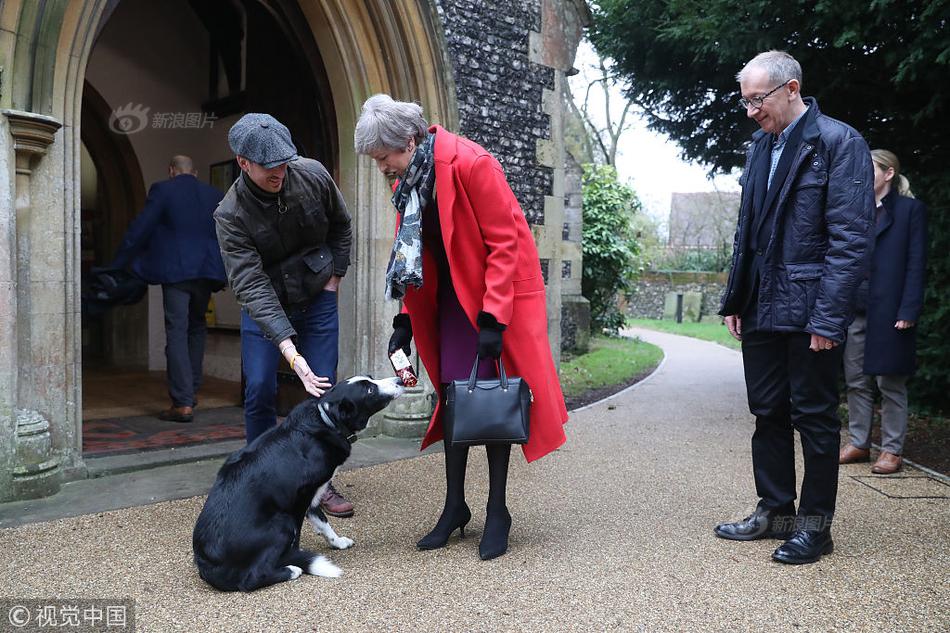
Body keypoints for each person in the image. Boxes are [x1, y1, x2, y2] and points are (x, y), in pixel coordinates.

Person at [354, 94, 568, 560]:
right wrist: (405, 322)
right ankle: (455, 507)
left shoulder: (472, 164)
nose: (381, 168)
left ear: (409, 142)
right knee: (453, 399)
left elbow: (505, 243)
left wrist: (493, 317)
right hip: (450, 299)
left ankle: (497, 511)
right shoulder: (410, 177)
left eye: (383, 158)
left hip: (492, 297)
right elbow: (412, 255)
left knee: (491, 399)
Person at [716, 51, 874, 565]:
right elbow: (748, 232)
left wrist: (829, 318)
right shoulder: (759, 147)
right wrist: (737, 297)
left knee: (815, 419)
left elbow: (850, 241)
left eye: (757, 99)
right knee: (767, 413)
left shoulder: (838, 142)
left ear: (790, 88)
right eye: (744, 101)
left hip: (810, 310)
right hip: (762, 306)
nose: (750, 111)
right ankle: (776, 513)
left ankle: (814, 528)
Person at [214, 113, 355, 518]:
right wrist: (289, 350)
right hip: (265, 307)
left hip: (317, 295)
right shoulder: (229, 215)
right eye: (269, 166)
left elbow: (341, 227)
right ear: (243, 163)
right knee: (258, 388)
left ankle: (321, 482)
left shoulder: (311, 175)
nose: (280, 171)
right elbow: (250, 284)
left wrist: (335, 279)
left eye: (284, 162)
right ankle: (259, 478)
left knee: (324, 389)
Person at [112, 155, 227, 423]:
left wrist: (119, 261)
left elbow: (142, 227)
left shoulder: (163, 189)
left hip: (177, 271)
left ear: (171, 171)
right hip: (208, 271)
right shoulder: (214, 194)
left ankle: (182, 402)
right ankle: (192, 390)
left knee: (177, 330)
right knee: (197, 327)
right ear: (195, 172)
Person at [839, 150, 927, 475]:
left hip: (892, 311)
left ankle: (892, 451)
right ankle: (859, 443)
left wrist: (909, 309)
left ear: (888, 174)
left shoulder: (910, 211)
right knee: (856, 381)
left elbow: (917, 264)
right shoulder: (854, 211)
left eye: (870, 169)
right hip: (857, 309)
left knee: (890, 382)